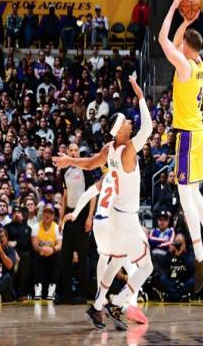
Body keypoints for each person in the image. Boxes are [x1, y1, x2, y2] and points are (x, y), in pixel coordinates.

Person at [54, 75, 152, 330]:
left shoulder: (109, 149)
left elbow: (89, 164)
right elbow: (148, 129)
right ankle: (117, 303)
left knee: (116, 259)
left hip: (114, 217)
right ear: (120, 131)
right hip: (127, 219)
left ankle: (97, 306)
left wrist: (70, 161)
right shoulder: (128, 150)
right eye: (127, 122)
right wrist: (140, 96)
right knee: (146, 266)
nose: (130, 122)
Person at [158, 0, 203, 294]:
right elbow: (176, 44)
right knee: (194, 192)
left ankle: (201, 255)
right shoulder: (197, 64)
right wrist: (186, 22)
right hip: (197, 132)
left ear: (186, 47)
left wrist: (174, 7)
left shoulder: (185, 66)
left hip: (186, 135)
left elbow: (164, 41)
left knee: (185, 196)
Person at [58, 142, 96, 303]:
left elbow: (93, 194)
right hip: (69, 215)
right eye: (71, 150)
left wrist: (90, 217)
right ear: (67, 152)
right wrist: (61, 219)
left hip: (82, 215)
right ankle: (66, 294)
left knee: (82, 256)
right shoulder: (64, 170)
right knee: (65, 256)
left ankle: (82, 294)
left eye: (76, 150)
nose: (73, 153)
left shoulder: (85, 168)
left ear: (79, 153)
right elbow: (65, 196)